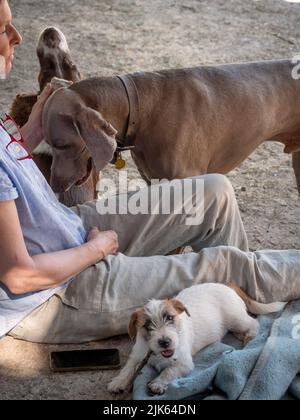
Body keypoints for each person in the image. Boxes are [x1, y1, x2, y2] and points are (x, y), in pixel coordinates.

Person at [0, 0, 299, 344]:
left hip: (70, 230)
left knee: (214, 192)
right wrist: (96, 250)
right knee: (222, 265)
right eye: (3, 29)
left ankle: (240, 306)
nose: (17, 36)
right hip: (57, 291)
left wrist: (32, 131)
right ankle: (242, 287)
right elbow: (19, 275)